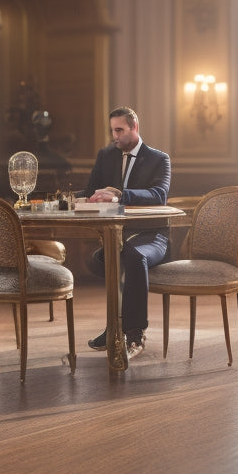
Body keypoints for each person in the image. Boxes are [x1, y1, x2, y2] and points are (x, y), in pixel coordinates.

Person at [83, 106, 171, 356]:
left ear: (135, 128)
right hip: (118, 235)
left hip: (152, 236)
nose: (115, 136)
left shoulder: (159, 159)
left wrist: (120, 194)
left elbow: (159, 195)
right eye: (112, 130)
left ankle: (134, 333)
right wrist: (63, 199)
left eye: (120, 130)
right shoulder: (106, 156)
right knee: (102, 259)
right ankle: (116, 327)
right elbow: (91, 192)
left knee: (133, 256)